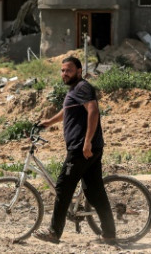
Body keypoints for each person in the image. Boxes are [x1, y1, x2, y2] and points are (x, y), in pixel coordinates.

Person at [33, 56, 116, 245]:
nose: (64, 73)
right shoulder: (75, 90)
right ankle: (110, 234)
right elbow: (68, 111)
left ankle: (54, 232)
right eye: (62, 70)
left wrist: (86, 142)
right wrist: (49, 122)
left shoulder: (82, 87)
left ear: (79, 71)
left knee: (63, 186)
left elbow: (93, 111)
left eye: (68, 70)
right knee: (95, 192)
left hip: (81, 149)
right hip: (88, 148)